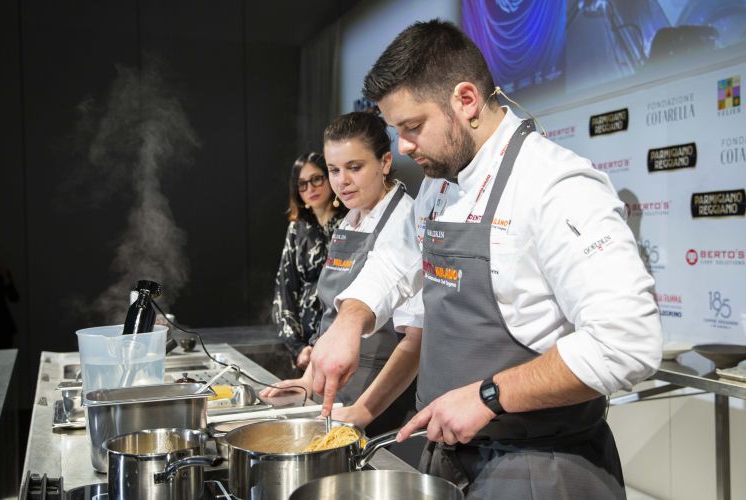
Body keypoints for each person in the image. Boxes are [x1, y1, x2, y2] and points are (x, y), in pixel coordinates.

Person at [309, 20, 662, 499]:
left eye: (412, 128)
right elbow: (397, 261)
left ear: (466, 100)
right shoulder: (439, 182)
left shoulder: (555, 187)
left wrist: (488, 395)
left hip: (541, 467)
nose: (404, 147)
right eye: (397, 131)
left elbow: (627, 343)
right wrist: (350, 320)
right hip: (453, 461)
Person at [262, 111, 420, 436]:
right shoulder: (349, 222)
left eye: (354, 167)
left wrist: (363, 410)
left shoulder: (405, 222)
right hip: (337, 394)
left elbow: (415, 342)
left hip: (380, 402)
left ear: (385, 162)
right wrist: (308, 383)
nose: (341, 181)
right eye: (334, 170)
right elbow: (331, 320)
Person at [272, 153, 346, 370]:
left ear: (330, 177)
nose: (310, 189)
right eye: (302, 184)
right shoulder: (297, 228)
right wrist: (297, 346)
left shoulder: (351, 222)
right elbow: (284, 290)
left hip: (342, 339)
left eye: (316, 179)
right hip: (306, 347)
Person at [0, 250, 19, 350]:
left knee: (4, 361)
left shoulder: (2, 273)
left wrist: (6, 279)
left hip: (3, 325)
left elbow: (14, 297)